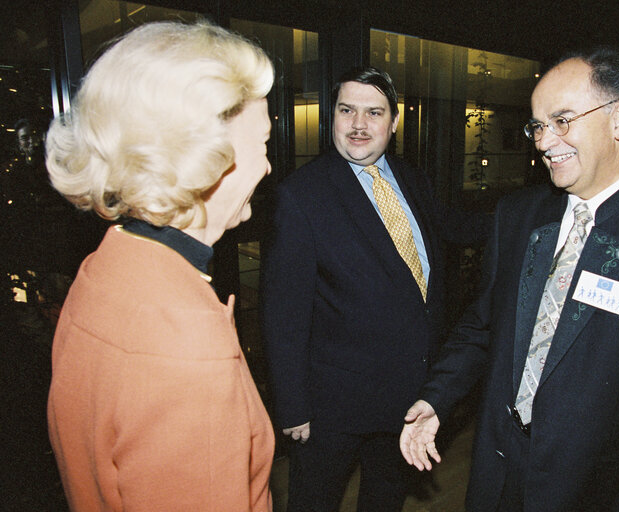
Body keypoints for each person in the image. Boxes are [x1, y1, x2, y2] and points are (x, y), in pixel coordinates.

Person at [400, 47, 619, 512]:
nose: (544, 142)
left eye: (562, 120)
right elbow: (483, 328)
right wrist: (436, 399)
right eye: (538, 126)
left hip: (597, 488)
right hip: (497, 471)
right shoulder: (518, 215)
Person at [45, 21, 275, 511]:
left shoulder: (106, 267)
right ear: (209, 158)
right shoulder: (184, 346)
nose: (268, 167)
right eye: (264, 145)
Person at [260, 67, 488, 511]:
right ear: (333, 117)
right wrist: (292, 407)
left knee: (385, 500)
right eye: (347, 110)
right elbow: (283, 314)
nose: (359, 125)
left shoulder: (410, 177)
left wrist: (532, 216)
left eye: (373, 112)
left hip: (407, 396)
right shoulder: (302, 196)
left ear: (394, 122)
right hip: (332, 409)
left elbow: (456, 227)